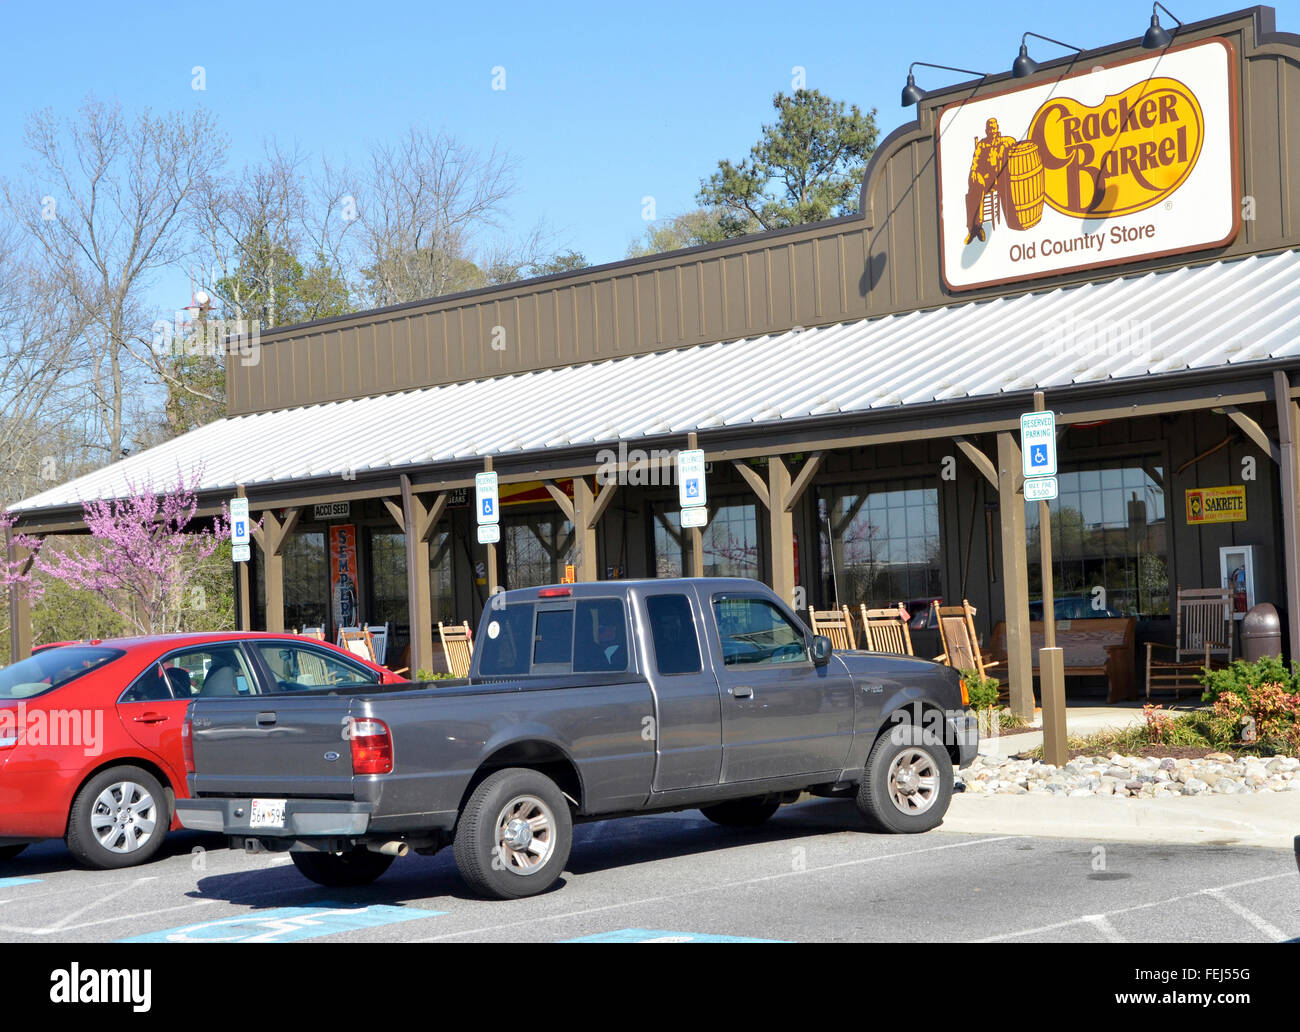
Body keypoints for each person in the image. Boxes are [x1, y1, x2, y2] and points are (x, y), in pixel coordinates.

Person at [964, 117, 1017, 244]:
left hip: (997, 178)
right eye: (989, 128)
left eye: (993, 127)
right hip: (983, 178)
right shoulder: (982, 144)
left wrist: (1004, 143)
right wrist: (974, 175)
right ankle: (974, 228)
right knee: (972, 194)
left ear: (997, 128)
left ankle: (976, 228)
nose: (991, 130)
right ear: (986, 130)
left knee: (976, 191)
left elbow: (1013, 141)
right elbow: (975, 162)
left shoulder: (1003, 141)